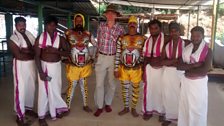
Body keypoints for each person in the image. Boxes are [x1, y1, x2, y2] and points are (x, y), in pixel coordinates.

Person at [34, 16, 69, 126]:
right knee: (43, 92)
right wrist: (40, 72)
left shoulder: (60, 39)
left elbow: (68, 53)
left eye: (54, 25)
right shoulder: (40, 38)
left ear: (56, 26)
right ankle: (41, 116)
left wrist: (56, 51)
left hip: (56, 67)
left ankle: (55, 110)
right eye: (49, 25)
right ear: (45, 25)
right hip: (45, 67)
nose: (52, 27)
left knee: (55, 90)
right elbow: (36, 56)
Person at [177, 26, 212, 126]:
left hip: (198, 85)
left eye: (198, 36)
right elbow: (179, 66)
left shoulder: (208, 51)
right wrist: (194, 65)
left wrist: (187, 68)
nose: (195, 38)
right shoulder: (186, 49)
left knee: (197, 109)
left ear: (203, 36)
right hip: (186, 83)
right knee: (185, 106)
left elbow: (204, 70)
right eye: (193, 36)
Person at [94, 4, 125, 117]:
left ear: (116, 15)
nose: (110, 15)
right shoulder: (101, 26)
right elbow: (98, 43)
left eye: (113, 13)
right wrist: (96, 56)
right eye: (109, 13)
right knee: (99, 84)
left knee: (112, 83)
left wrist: (119, 62)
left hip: (113, 58)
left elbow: (121, 45)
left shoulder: (120, 29)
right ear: (106, 14)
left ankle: (107, 103)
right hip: (101, 57)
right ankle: (99, 106)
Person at [114, 16, 146, 117]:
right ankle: (126, 107)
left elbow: (144, 54)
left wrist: (142, 66)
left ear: (137, 25)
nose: (132, 25)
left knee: (136, 89)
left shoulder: (143, 38)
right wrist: (116, 68)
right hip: (123, 68)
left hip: (136, 69)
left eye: (134, 23)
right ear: (128, 25)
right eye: (130, 23)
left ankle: (133, 108)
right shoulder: (121, 38)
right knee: (125, 89)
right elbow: (118, 53)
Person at [9, 17, 37, 126]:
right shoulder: (13, 38)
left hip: (31, 64)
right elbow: (18, 55)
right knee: (20, 89)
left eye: (24, 24)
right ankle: (19, 115)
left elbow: (35, 48)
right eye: (20, 24)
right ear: (16, 25)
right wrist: (31, 52)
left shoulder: (29, 34)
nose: (22, 26)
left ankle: (28, 108)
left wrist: (27, 51)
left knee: (31, 87)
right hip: (20, 65)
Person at [65, 13, 95, 113]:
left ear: (83, 22)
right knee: (71, 86)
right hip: (73, 66)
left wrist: (92, 58)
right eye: (77, 21)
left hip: (85, 66)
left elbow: (95, 45)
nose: (78, 22)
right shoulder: (68, 33)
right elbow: (64, 46)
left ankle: (85, 105)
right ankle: (67, 107)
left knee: (84, 86)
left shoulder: (88, 33)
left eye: (80, 21)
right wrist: (66, 57)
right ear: (74, 22)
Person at [161, 22, 185, 126]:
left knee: (180, 95)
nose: (174, 33)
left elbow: (184, 62)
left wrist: (170, 61)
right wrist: (174, 61)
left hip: (180, 74)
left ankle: (180, 118)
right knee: (168, 95)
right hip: (168, 73)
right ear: (169, 32)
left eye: (176, 31)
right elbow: (162, 61)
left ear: (180, 32)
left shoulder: (186, 44)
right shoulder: (167, 45)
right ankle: (169, 116)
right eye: (172, 31)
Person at [142, 19, 165, 121]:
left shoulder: (166, 39)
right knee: (149, 91)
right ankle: (149, 110)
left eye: (156, 28)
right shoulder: (147, 41)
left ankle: (162, 112)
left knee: (161, 91)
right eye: (151, 28)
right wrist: (143, 71)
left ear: (160, 29)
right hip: (150, 69)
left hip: (162, 69)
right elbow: (146, 57)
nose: (153, 30)